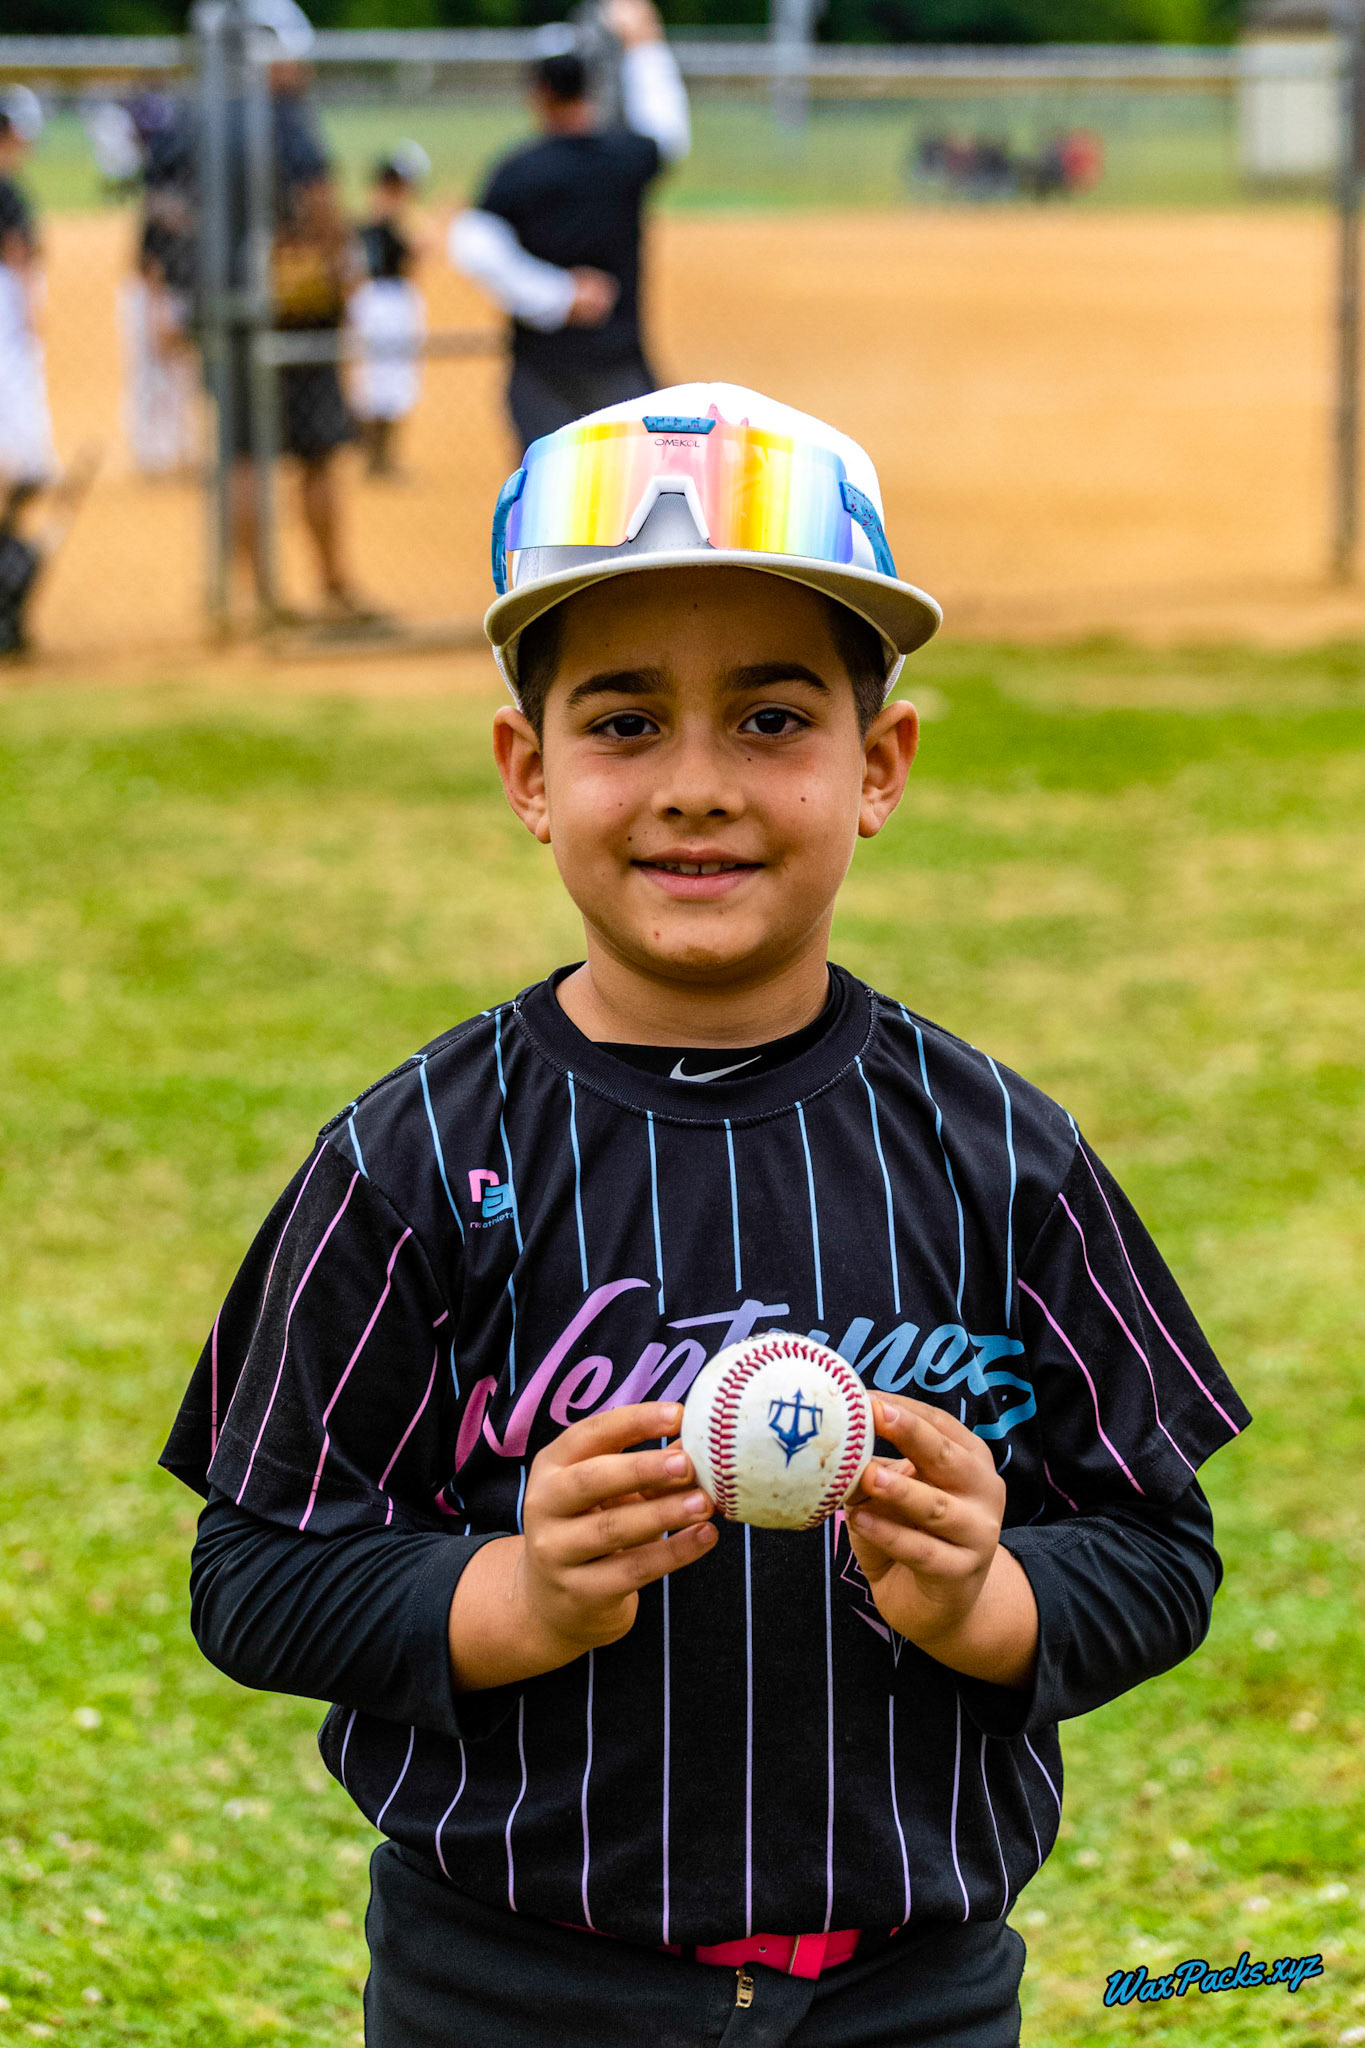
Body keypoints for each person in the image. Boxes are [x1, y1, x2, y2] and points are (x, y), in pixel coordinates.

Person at [161, 382, 1251, 2046]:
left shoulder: (999, 1151)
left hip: (914, 1986)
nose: (694, 783)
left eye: (769, 718)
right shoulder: (410, 1155)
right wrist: (513, 1594)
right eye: (621, 722)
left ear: (877, 762)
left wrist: (988, 1595)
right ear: (528, 770)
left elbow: (1162, 1551)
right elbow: (251, 1572)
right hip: (506, 1981)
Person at [450, 0, 690, 454]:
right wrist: (643, 43)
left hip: (542, 375)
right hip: (619, 371)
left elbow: (471, 244)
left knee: (549, 508)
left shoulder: (518, 170)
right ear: (593, 85)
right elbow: (669, 130)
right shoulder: (624, 159)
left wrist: (558, 294)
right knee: (631, 512)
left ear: (538, 91)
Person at [222, 0, 371, 621]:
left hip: (228, 299)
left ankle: (256, 596)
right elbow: (317, 196)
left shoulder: (207, 113)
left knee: (244, 454)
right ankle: (334, 586)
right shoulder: (285, 116)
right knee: (315, 452)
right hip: (295, 308)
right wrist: (345, 264)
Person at [349, 142, 431, 480]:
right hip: (389, 301)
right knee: (390, 379)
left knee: (378, 378)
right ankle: (382, 460)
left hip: (372, 301)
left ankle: (375, 457)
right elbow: (412, 258)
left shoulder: (369, 217)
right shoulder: (387, 219)